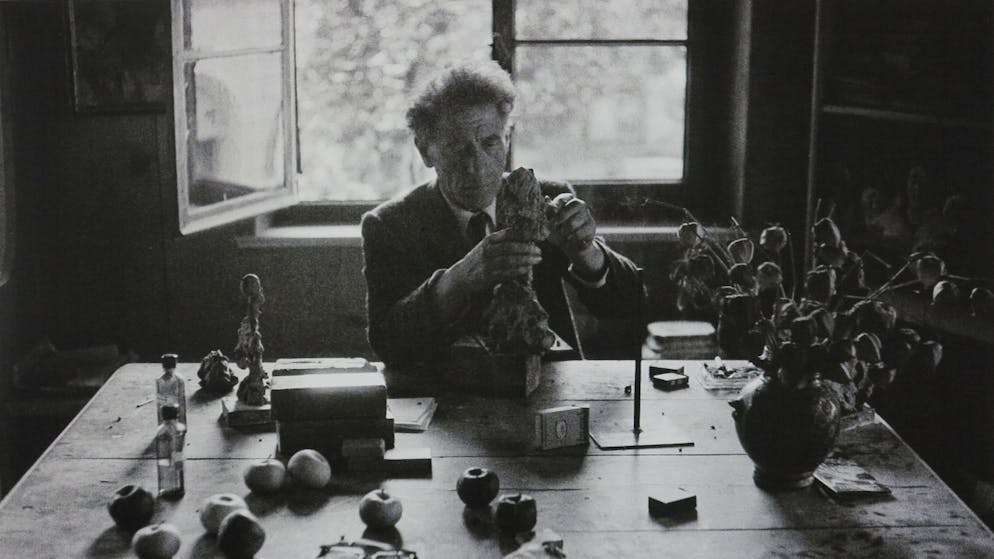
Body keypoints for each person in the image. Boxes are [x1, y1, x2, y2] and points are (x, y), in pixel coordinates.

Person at [361, 60, 641, 366]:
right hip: (449, 396)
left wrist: (588, 254)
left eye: (489, 142)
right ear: (426, 151)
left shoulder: (542, 197)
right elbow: (387, 343)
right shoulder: (390, 225)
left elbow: (629, 305)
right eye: (457, 147)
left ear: (506, 139)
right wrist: (458, 279)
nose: (477, 164)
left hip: (548, 389)